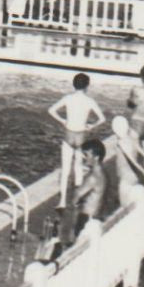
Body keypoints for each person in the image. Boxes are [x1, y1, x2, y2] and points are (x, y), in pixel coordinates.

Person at [48, 74, 105, 207]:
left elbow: (51, 110)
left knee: (66, 170)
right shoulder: (89, 101)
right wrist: (91, 125)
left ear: (74, 84)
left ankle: (62, 202)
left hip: (68, 135)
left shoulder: (68, 98)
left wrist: (63, 120)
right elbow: (102, 119)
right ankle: (77, 201)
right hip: (81, 136)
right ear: (87, 86)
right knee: (78, 169)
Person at [60, 140, 110, 244]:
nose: (84, 157)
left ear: (96, 157)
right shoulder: (103, 173)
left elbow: (75, 198)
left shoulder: (93, 177)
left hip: (85, 219)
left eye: (86, 155)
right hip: (96, 216)